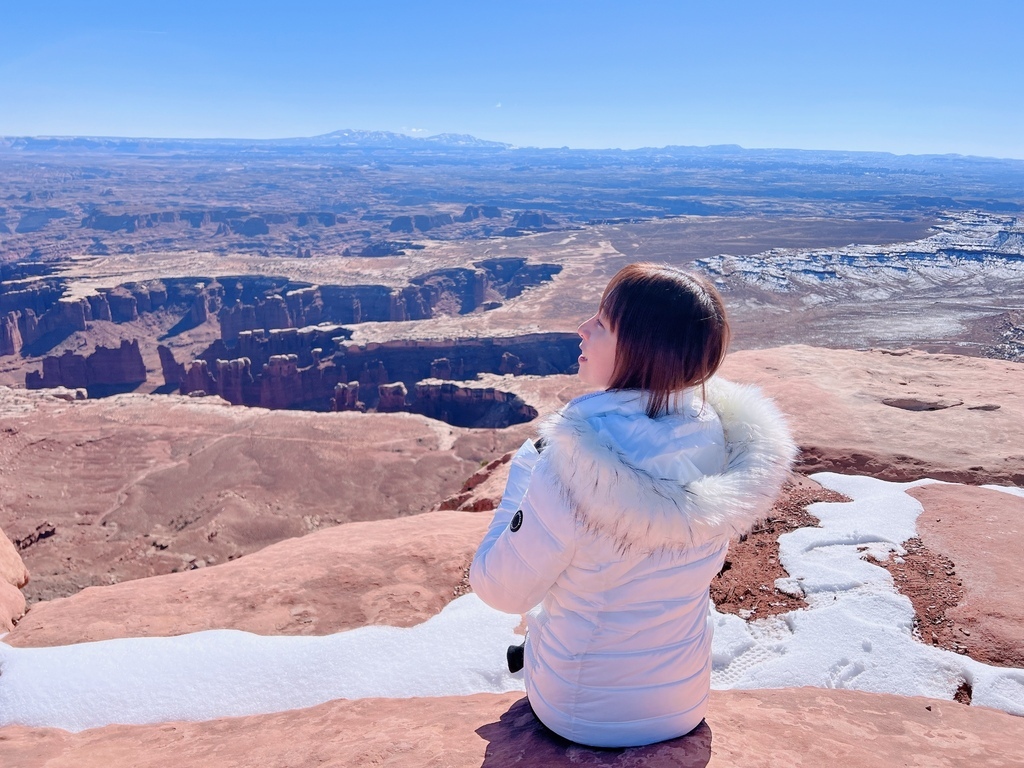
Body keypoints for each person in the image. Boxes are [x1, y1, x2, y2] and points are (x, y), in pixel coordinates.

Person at [470, 262, 797, 748]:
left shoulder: (575, 464)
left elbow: (501, 590)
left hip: (581, 712)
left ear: (640, 349)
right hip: (684, 702)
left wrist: (527, 475)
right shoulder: (721, 441)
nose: (582, 329)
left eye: (600, 323)